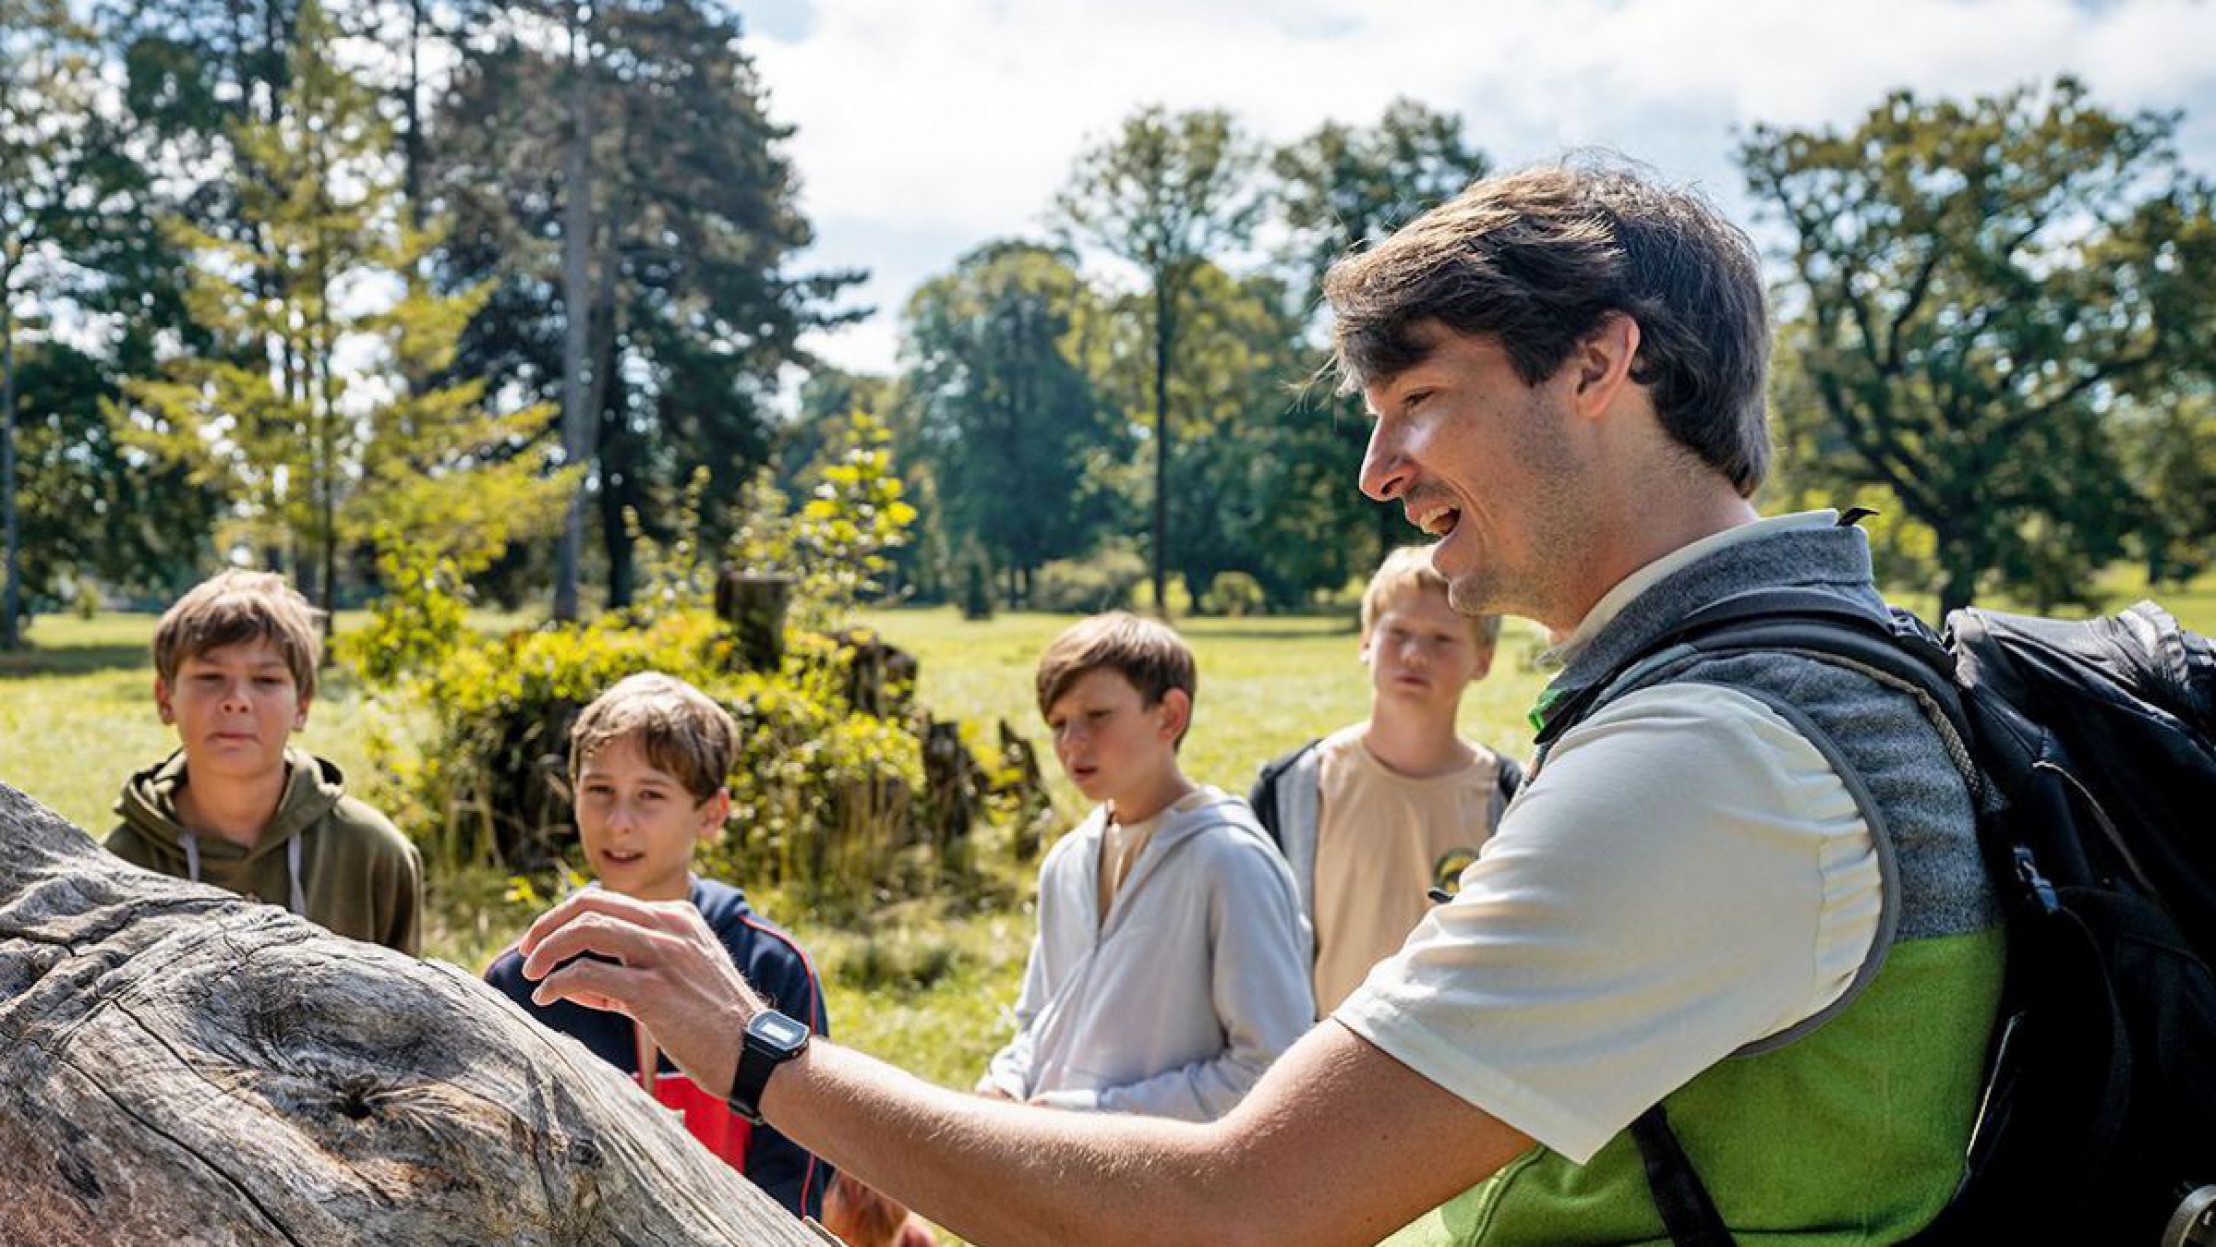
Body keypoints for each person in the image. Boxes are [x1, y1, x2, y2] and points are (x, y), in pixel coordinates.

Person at [513, 161, 2003, 1246]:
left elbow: (1237, 1207)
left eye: (1418, 396)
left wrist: (758, 1047)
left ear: (1601, 361)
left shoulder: (1713, 758)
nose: (1379, 471)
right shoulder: (1796, 681)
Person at [483, 672, 833, 1221]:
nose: (618, 823)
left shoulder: (774, 967)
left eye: (650, 795)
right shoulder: (524, 974)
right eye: (599, 791)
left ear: (712, 812)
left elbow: (800, 1165)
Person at [975, 612, 1313, 1119]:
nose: (1072, 742)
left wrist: (1095, 1116)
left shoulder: (1231, 861)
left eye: (1097, 716)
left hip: (1170, 1187)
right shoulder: (1067, 860)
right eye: (1058, 723)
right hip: (1052, 1173)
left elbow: (1272, 1069)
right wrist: (1004, 1084)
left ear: (1170, 715)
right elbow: (1040, 1023)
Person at [1248, 545, 1519, 1014]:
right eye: (1398, 633)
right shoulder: (1293, 788)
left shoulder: (1511, 798)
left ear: (1484, 659)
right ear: (1365, 641)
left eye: (1442, 639)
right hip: (1314, 1059)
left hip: (1447, 1068)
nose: (1415, 655)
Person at [107, 569, 423, 954]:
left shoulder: (375, 854)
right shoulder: (117, 865)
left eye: (266, 680)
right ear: (165, 696)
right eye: (210, 676)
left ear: (302, 704)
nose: (237, 699)